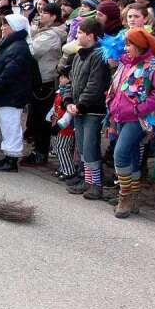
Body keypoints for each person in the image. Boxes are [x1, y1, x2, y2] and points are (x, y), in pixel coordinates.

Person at [106, 28, 155, 217]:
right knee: (132, 156)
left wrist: (138, 109)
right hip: (120, 116)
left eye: (128, 45)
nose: (125, 48)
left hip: (139, 119)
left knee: (120, 154)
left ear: (140, 46)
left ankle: (124, 195)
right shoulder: (124, 63)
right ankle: (133, 197)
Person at [66, 19, 110, 199]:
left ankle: (96, 184)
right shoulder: (78, 56)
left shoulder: (98, 55)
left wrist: (81, 104)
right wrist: (68, 100)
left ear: (90, 36)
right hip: (78, 108)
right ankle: (87, 179)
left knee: (90, 146)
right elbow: (71, 80)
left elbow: (95, 84)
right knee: (83, 147)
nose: (76, 36)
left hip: (91, 109)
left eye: (80, 33)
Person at [0, 13, 36, 172]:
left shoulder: (18, 48)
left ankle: (12, 159)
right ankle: (8, 156)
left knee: (11, 126)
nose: (2, 28)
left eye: (5, 25)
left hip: (12, 94)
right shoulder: (11, 45)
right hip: (7, 94)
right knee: (7, 125)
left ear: (15, 27)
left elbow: (10, 73)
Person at [25, 3, 66, 166]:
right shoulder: (46, 31)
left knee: (42, 120)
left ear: (54, 17)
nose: (40, 15)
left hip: (45, 81)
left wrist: (28, 35)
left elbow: (33, 50)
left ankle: (41, 153)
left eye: (45, 13)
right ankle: (38, 150)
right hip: (40, 79)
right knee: (36, 118)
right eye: (40, 12)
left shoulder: (52, 35)